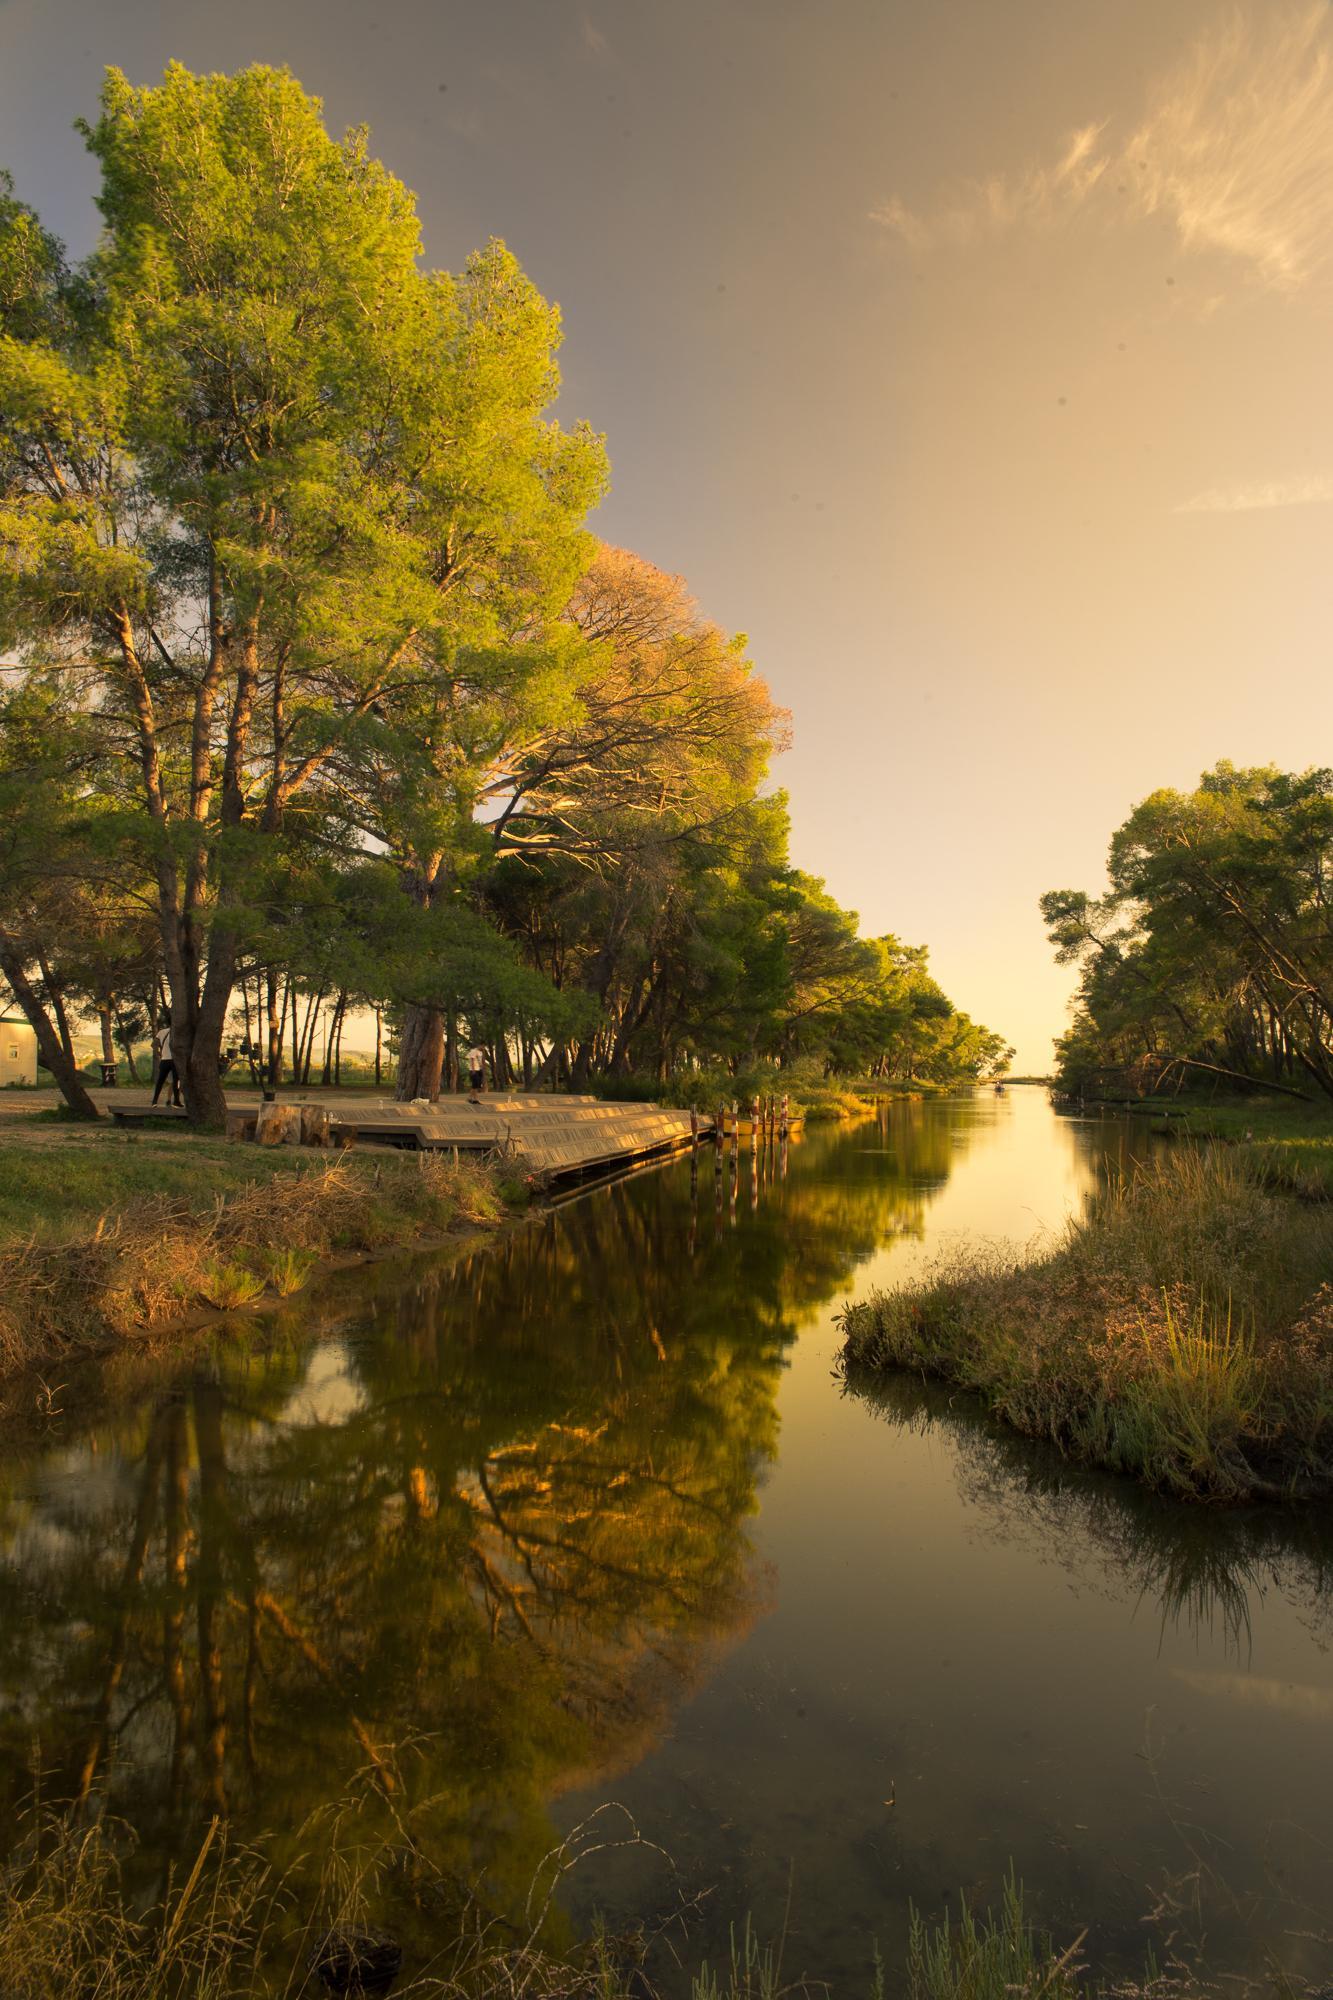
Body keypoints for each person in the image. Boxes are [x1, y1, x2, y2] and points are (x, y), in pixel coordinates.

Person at [151, 1022, 182, 1107]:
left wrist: (160, 1053)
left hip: (164, 1060)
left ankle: (154, 1101)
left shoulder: (161, 1032)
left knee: (160, 1082)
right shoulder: (179, 1032)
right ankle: (176, 1101)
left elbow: (153, 1044)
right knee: (176, 1081)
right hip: (175, 1061)